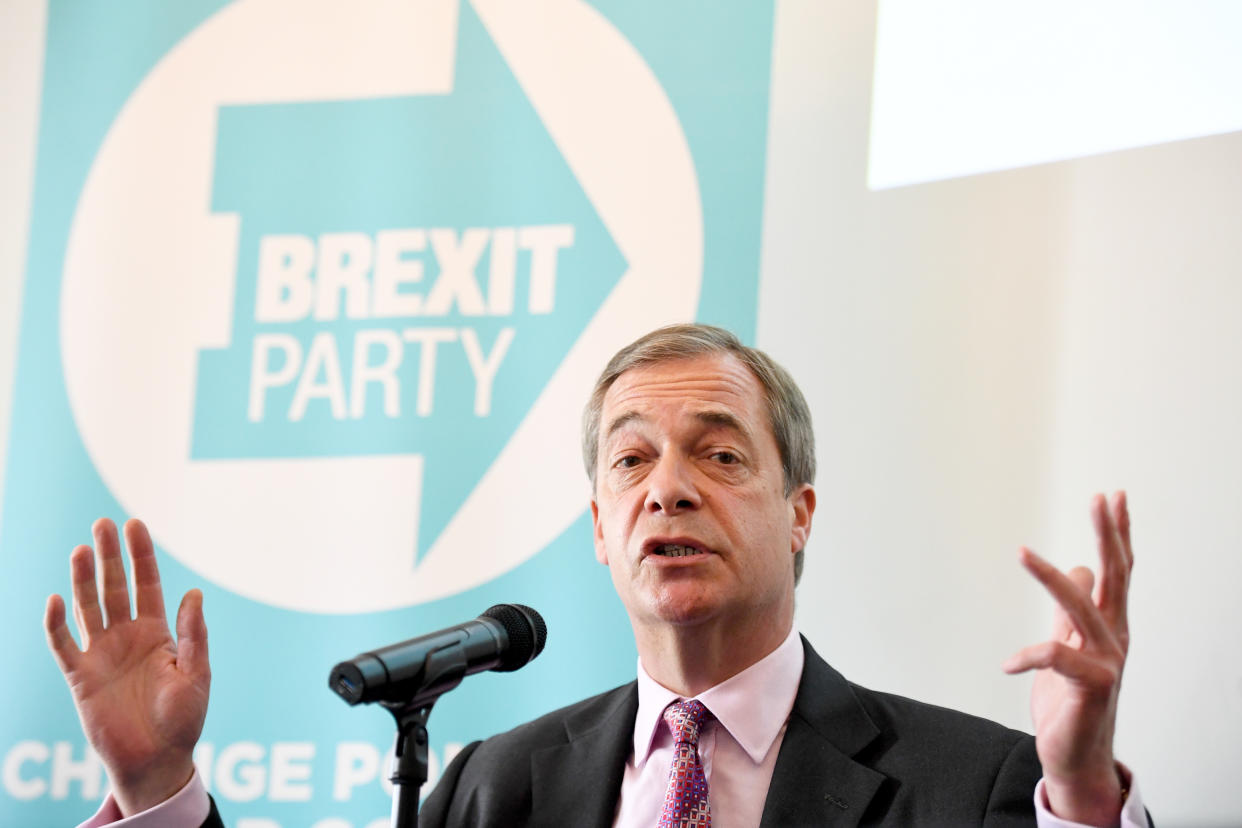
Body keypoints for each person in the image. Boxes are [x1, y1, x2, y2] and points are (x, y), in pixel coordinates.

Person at [46, 324, 1148, 826]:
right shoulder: (491, 788)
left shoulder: (980, 786)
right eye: (630, 461)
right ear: (598, 528)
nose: (665, 489)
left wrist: (1088, 796)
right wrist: (155, 792)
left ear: (799, 513)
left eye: (718, 454)